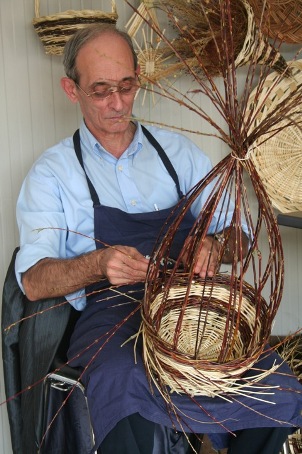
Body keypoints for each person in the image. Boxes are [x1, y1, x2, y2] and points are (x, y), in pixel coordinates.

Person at [15, 24, 301, 454]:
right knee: (124, 389)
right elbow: (33, 281)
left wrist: (216, 245)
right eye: (100, 90)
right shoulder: (53, 173)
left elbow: (240, 235)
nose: (117, 103)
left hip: (191, 312)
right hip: (113, 321)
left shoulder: (179, 153)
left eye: (127, 86)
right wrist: (98, 264)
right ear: (71, 90)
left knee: (278, 386)